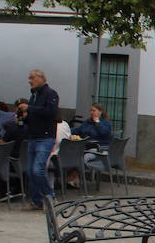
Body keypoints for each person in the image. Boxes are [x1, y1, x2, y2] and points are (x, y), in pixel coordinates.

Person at [19, 69, 59, 212]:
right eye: (29, 78)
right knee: (30, 171)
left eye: (32, 78)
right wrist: (25, 117)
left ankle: (50, 196)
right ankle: (37, 201)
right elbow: (35, 114)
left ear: (41, 78)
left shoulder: (50, 94)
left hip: (45, 137)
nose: (30, 81)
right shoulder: (34, 95)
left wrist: (30, 108)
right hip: (34, 136)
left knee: (38, 169)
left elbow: (50, 113)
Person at [67, 103, 112, 187]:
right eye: (90, 111)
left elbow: (104, 132)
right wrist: (66, 129)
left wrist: (97, 122)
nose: (91, 112)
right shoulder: (87, 122)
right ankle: (73, 178)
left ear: (100, 112)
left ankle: (73, 177)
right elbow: (78, 130)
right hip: (84, 147)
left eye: (94, 110)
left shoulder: (106, 123)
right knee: (71, 155)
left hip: (99, 149)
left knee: (82, 158)